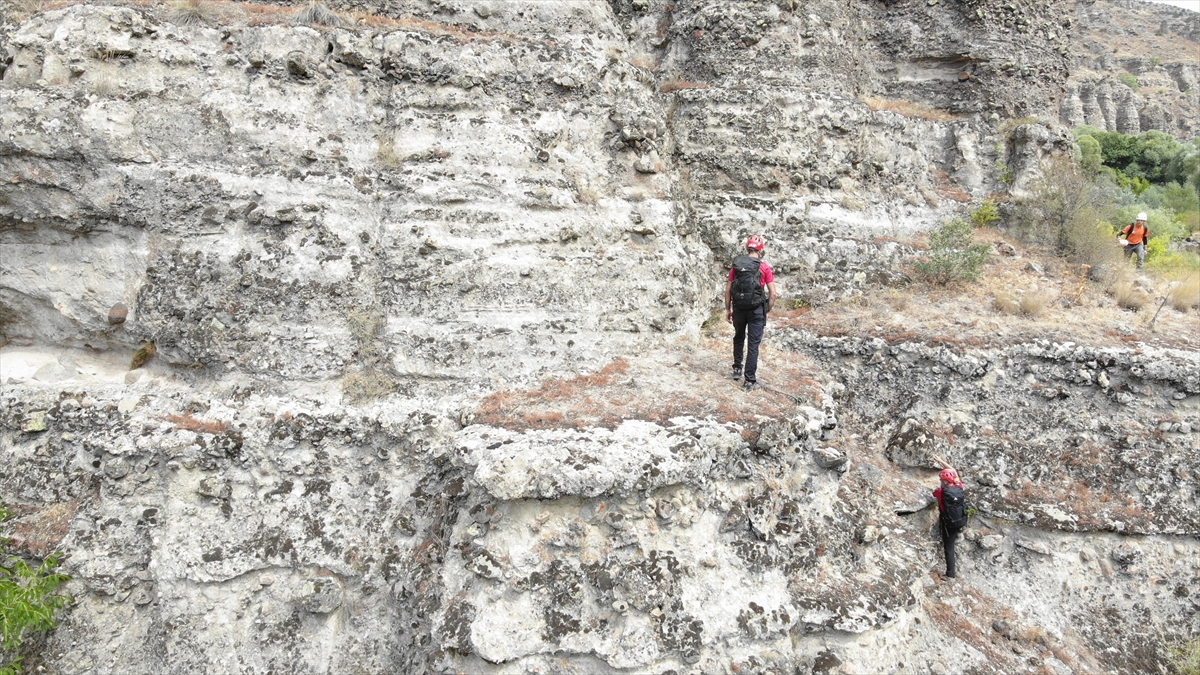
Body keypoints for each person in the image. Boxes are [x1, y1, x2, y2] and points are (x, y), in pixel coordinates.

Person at [724, 235, 777, 391]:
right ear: (760, 250)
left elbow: (728, 290)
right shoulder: (764, 267)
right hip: (756, 310)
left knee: (739, 337)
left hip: (739, 308)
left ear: (747, 248)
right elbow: (773, 294)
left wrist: (728, 309)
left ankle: (736, 369)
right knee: (753, 345)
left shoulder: (736, 266)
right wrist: (767, 309)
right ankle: (749, 381)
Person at [931, 456, 967, 579]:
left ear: (945, 482)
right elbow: (954, 471)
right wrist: (941, 461)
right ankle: (960, 531)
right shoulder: (959, 486)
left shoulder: (941, 492)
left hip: (948, 523)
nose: (940, 481)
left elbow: (933, 494)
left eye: (941, 480)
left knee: (949, 548)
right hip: (961, 519)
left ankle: (950, 574)